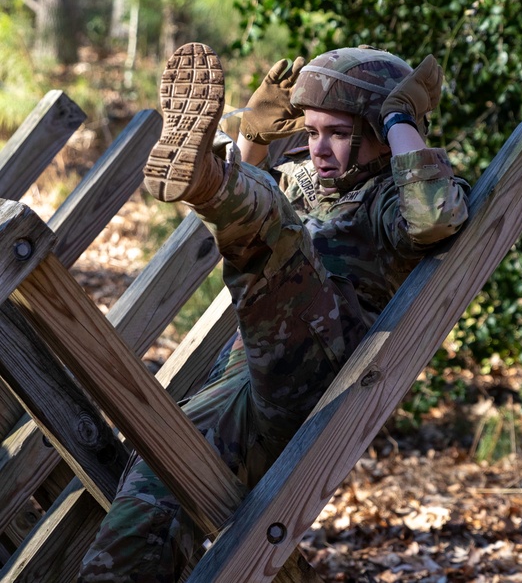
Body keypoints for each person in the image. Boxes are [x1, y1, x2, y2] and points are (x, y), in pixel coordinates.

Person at [78, 42, 469, 582]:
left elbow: (434, 220)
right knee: (151, 491)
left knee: (277, 236)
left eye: (337, 133)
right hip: (249, 376)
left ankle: (208, 178)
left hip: (320, 368)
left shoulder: (392, 195)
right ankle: (211, 171)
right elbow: (259, 208)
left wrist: (400, 118)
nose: (320, 149)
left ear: (380, 135)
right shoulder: (312, 182)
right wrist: (254, 140)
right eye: (310, 133)